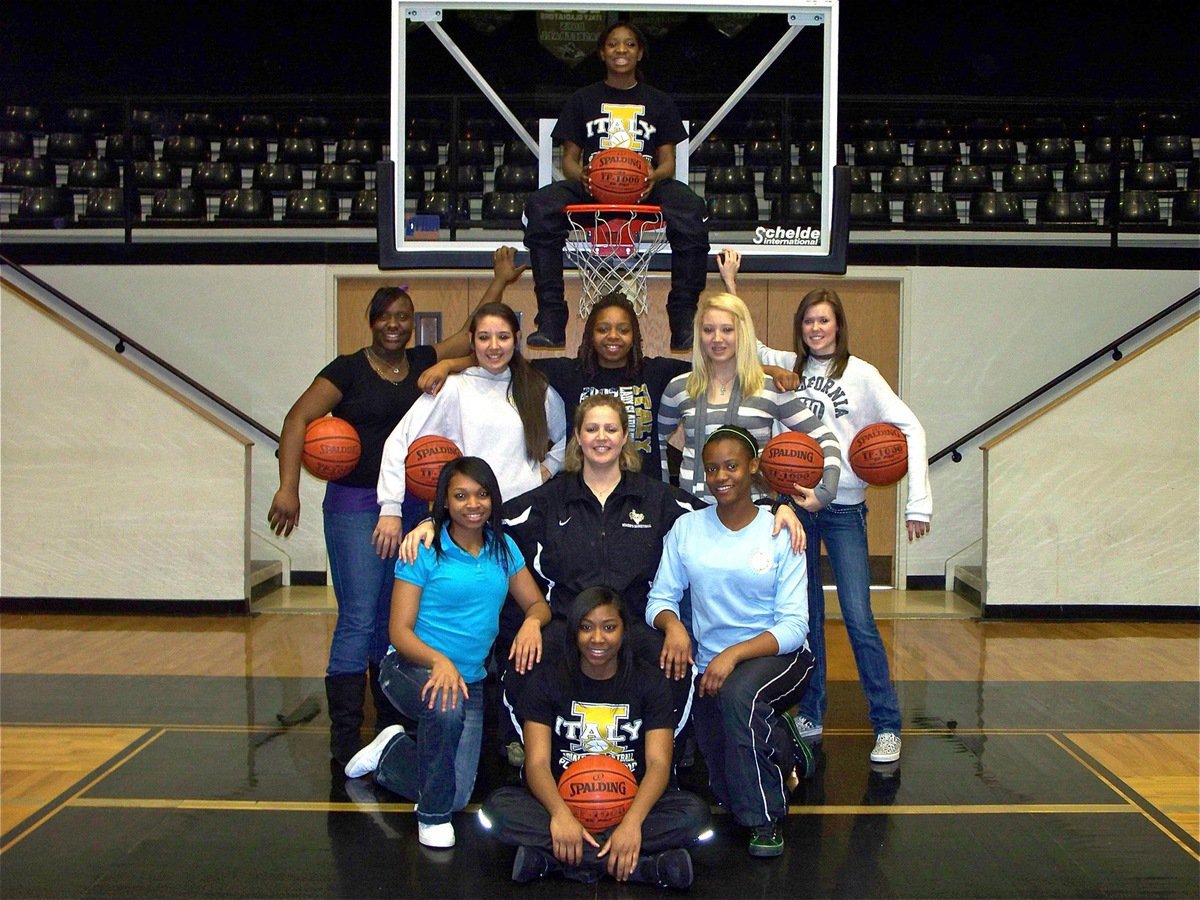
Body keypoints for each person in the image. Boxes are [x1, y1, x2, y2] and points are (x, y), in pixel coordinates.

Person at [401, 393, 803, 763]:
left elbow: (724, 505)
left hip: (634, 623)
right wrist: (430, 524)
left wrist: (777, 507)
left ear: (625, 436)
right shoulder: (549, 498)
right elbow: (481, 516)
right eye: (591, 429)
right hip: (566, 623)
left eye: (611, 429)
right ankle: (530, 752)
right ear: (577, 436)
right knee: (526, 660)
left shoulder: (657, 498)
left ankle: (667, 759)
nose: (601, 437)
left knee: (674, 663)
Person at [267, 255, 525, 767]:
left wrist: (499, 281)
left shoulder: (423, 364)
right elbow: (298, 419)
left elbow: (470, 335)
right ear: (372, 321)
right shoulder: (346, 369)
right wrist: (288, 488)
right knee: (360, 615)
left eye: (404, 316)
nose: (395, 324)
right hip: (355, 505)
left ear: (412, 323)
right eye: (386, 316)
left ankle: (386, 720)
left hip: (411, 507)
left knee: (396, 617)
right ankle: (345, 732)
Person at [757, 287, 932, 764]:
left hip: (842, 508)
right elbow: (746, 341)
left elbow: (911, 427)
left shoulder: (862, 375)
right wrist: (731, 285)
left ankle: (888, 725)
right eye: (809, 321)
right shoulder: (786, 367)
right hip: (792, 508)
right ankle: (811, 712)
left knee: (858, 618)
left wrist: (919, 503)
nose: (816, 329)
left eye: (824, 321)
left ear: (838, 326)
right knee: (807, 617)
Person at [342, 457, 551, 849]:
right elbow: (398, 631)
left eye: (481, 494)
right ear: (445, 501)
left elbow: (539, 605)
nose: (473, 503)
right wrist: (440, 661)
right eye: (460, 495)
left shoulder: (503, 548)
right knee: (445, 707)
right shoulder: (423, 548)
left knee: (455, 792)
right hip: (408, 666)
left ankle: (392, 751)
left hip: (468, 680)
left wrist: (531, 622)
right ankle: (432, 819)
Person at [645, 427, 814, 858]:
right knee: (722, 784)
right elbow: (660, 599)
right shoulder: (687, 529)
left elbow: (794, 625)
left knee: (741, 696)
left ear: (753, 467)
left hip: (781, 654)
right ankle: (784, 745)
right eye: (713, 468)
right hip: (710, 662)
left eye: (732, 466)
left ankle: (765, 819)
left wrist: (732, 656)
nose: (722, 476)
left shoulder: (780, 529)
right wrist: (675, 627)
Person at [479, 588, 711, 888]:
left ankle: (555, 862)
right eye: (586, 627)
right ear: (574, 632)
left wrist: (631, 824)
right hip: (563, 803)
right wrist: (561, 816)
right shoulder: (547, 681)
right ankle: (643, 868)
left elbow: (658, 763)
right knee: (497, 809)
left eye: (609, 627)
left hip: (628, 805)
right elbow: (536, 763)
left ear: (624, 631)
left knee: (696, 815)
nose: (597, 639)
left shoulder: (649, 682)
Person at [522, 21, 709, 351]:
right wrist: (579, 175)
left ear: (640, 53)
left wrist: (654, 176)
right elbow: (568, 159)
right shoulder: (582, 99)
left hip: (647, 185)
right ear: (601, 52)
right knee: (540, 206)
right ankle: (551, 318)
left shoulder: (660, 102)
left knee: (691, 210)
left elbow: (668, 162)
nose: (621, 50)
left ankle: (683, 319)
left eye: (629, 44)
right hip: (593, 182)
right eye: (613, 44)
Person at [374, 300, 567, 559]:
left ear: (517, 339)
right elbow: (398, 441)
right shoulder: (452, 388)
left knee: (523, 598)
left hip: (525, 518)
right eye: (484, 337)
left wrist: (549, 468)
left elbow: (570, 438)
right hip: (468, 520)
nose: (494, 346)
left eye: (503, 337)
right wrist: (390, 507)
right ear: (471, 340)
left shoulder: (536, 389)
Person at [656, 291, 843, 506]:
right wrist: (664, 498)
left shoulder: (771, 388)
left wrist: (825, 492)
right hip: (693, 515)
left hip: (754, 516)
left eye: (727, 329)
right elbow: (657, 442)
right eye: (708, 330)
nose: (717, 338)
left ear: (743, 333)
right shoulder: (679, 388)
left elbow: (826, 439)